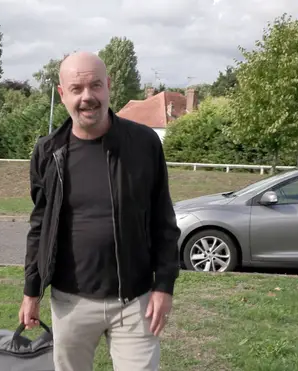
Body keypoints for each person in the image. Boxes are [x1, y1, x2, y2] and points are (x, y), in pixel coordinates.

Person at [18, 51, 181, 371]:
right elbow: (40, 225)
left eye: (95, 86)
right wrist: (31, 291)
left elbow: (164, 220)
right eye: (77, 89)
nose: (87, 97)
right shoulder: (48, 152)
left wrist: (164, 285)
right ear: (62, 94)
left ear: (108, 86)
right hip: (70, 303)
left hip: (135, 302)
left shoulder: (144, 144)